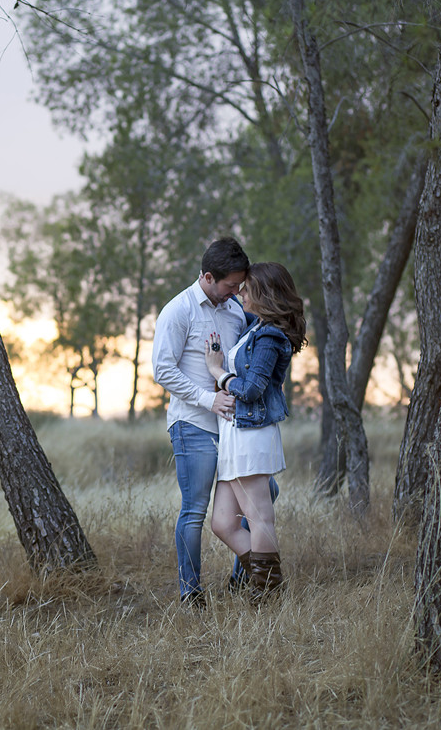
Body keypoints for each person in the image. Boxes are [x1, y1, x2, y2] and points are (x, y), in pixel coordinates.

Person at [152, 237, 250, 607]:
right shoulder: (178, 311)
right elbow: (162, 370)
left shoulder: (235, 310)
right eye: (230, 285)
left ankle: (242, 579)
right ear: (209, 277)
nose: (236, 291)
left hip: (233, 428)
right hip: (192, 424)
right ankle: (191, 594)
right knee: (195, 510)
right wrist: (208, 399)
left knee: (261, 497)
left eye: (239, 286)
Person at [204, 261, 306, 601]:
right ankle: (270, 582)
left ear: (263, 292)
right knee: (223, 522)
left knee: (260, 517)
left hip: (251, 435)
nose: (240, 293)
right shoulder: (255, 328)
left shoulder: (270, 336)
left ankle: (266, 596)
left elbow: (252, 389)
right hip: (235, 434)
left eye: (246, 288)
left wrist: (218, 372)